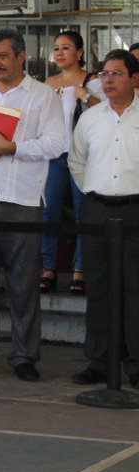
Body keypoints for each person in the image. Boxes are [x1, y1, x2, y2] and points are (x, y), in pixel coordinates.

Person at [0, 29, 64, 383]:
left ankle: (24, 355)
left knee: (23, 283)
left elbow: (56, 143)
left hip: (22, 198)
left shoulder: (42, 95)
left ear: (21, 57)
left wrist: (13, 147)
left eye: (3, 56)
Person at [68, 49, 139, 388]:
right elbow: (76, 161)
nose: (107, 80)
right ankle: (100, 361)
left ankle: (136, 364)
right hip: (97, 209)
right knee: (98, 286)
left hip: (136, 210)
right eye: (104, 74)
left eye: (116, 74)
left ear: (134, 79)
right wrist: (93, 193)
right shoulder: (91, 118)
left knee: (135, 288)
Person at [41, 30, 95, 295]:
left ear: (80, 52)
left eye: (66, 48)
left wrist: (83, 94)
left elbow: (102, 109)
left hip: (81, 157)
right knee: (49, 212)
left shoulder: (92, 80)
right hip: (53, 157)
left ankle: (80, 270)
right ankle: (48, 269)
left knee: (81, 212)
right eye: (56, 48)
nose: (60, 53)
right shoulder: (48, 84)